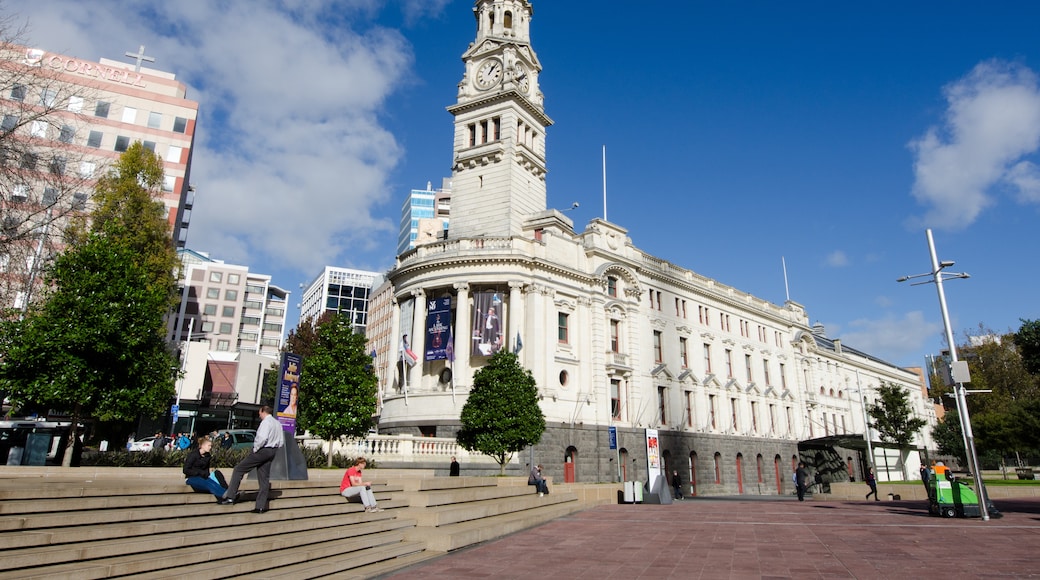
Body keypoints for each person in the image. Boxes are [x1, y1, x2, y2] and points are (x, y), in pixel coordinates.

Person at [219, 405, 284, 513]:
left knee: (239, 469)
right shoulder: (277, 423)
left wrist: (255, 449)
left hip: (262, 450)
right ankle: (260, 506)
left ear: (263, 411)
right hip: (272, 450)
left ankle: (230, 497)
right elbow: (281, 441)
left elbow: (262, 438)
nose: (259, 415)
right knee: (264, 478)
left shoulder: (266, 423)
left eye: (259, 412)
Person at [183, 436, 228, 500]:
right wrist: (198, 473)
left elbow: (206, 469)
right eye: (209, 445)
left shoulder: (208, 456)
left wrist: (206, 474)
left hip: (203, 477)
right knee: (208, 484)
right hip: (191, 478)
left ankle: (229, 494)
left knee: (213, 482)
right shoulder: (193, 455)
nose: (210, 447)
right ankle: (226, 495)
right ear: (202, 446)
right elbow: (185, 470)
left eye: (211, 446)